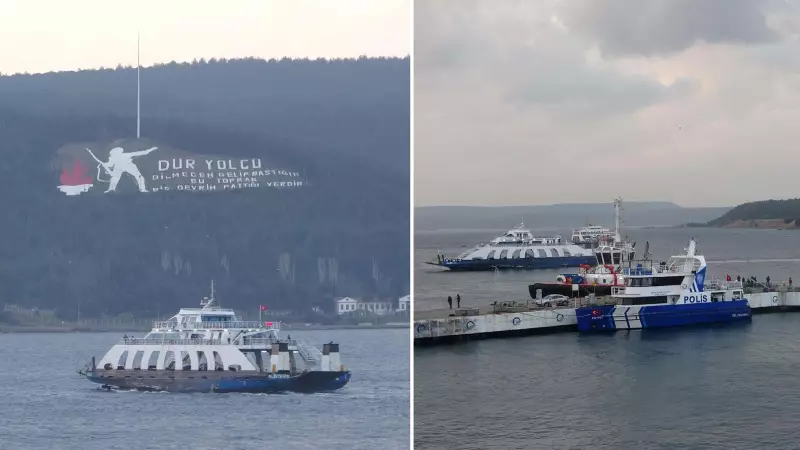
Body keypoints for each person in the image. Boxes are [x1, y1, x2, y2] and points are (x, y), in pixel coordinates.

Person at [87, 146, 158, 193]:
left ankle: (142, 189)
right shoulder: (113, 159)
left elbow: (143, 152)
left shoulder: (125, 155)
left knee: (139, 176)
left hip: (129, 166)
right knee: (114, 178)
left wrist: (151, 149)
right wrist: (100, 162)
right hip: (118, 167)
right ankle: (111, 189)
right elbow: (106, 164)